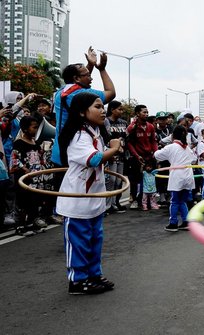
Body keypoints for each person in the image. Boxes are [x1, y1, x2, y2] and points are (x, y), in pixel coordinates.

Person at [56, 92, 120, 295]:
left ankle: (93, 274)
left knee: (94, 239)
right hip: (77, 198)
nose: (103, 111)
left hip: (94, 196)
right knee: (78, 241)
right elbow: (94, 159)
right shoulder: (78, 135)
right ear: (83, 112)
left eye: (103, 107)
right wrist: (115, 149)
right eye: (98, 107)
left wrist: (110, 149)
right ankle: (78, 280)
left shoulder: (95, 133)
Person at [52, 47, 116, 166]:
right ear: (76, 78)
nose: (91, 78)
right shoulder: (79, 95)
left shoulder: (62, 91)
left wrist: (90, 66)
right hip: (76, 152)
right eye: (98, 107)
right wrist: (102, 69)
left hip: (60, 151)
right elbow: (111, 93)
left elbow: (80, 83)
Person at [10, 115, 48, 235]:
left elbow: (40, 158)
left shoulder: (35, 142)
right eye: (34, 127)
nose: (36, 130)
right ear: (25, 129)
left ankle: (31, 224)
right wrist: (25, 170)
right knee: (23, 202)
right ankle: (21, 226)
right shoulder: (18, 143)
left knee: (34, 201)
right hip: (24, 178)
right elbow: (15, 159)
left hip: (35, 178)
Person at [154, 125, 196, 232]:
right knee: (182, 201)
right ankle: (186, 222)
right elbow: (194, 160)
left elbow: (157, 155)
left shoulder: (171, 147)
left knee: (174, 201)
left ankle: (173, 223)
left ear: (172, 136)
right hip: (188, 176)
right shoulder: (187, 148)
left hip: (177, 176)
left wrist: (157, 147)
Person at [126, 104, 158, 209]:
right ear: (137, 113)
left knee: (149, 179)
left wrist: (155, 152)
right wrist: (136, 155)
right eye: (144, 112)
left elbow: (153, 141)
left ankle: (146, 200)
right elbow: (129, 143)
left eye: (147, 112)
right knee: (135, 180)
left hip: (149, 157)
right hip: (136, 158)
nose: (146, 114)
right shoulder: (132, 127)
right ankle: (134, 200)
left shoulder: (150, 126)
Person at [103, 101, 127, 214]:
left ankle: (115, 202)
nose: (121, 111)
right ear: (112, 109)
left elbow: (126, 138)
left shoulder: (123, 123)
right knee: (111, 180)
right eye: (119, 109)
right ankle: (107, 205)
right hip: (110, 156)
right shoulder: (105, 121)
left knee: (118, 181)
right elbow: (104, 139)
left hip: (121, 156)